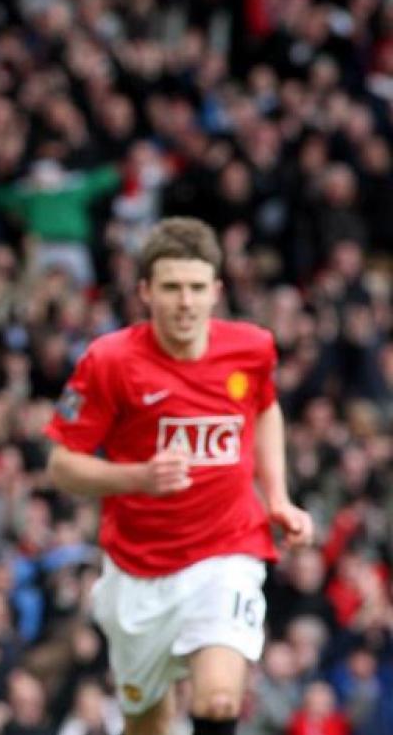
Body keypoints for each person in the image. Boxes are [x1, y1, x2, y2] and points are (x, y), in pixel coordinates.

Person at [44, 217, 314, 735]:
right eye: (171, 288)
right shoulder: (109, 361)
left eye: (196, 288)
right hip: (138, 569)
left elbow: (264, 409)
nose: (185, 302)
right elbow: (62, 466)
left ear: (216, 291)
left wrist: (277, 497)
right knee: (147, 723)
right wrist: (140, 478)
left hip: (227, 550)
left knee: (216, 699)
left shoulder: (252, 349)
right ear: (145, 291)